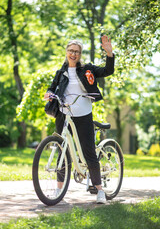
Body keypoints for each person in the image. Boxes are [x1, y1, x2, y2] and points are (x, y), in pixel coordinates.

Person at [44, 35, 115, 204]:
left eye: (76, 51)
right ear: (66, 52)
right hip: (63, 114)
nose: (73, 54)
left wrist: (109, 54)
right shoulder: (60, 72)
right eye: (70, 50)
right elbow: (52, 88)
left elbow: (107, 71)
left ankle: (99, 191)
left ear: (80, 54)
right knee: (62, 150)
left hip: (83, 114)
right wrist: (49, 93)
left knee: (89, 152)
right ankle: (58, 190)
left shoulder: (87, 69)